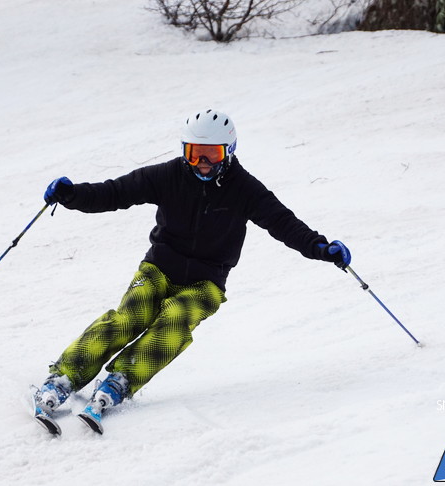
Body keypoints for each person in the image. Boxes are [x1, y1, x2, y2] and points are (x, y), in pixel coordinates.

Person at [32, 109, 351, 435]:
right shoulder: (169, 176)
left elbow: (284, 224)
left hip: (206, 282)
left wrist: (322, 249)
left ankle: (122, 379)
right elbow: (115, 192)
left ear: (229, 151)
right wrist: (72, 196)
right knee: (130, 317)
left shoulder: (245, 190)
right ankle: (64, 377)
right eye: (193, 153)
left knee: (175, 322)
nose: (201, 163)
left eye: (210, 155)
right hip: (158, 267)